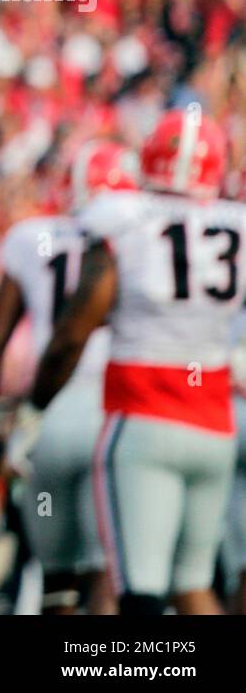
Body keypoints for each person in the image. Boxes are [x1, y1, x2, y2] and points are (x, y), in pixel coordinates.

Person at [32, 108, 245, 616]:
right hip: (215, 424)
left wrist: (37, 405)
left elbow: (75, 329)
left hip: (142, 418)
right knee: (194, 585)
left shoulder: (122, 217)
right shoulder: (235, 224)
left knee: (140, 591)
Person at [0, 139, 138, 614]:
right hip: (113, 408)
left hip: (48, 413)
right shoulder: (140, 236)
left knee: (55, 578)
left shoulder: (30, 238)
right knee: (103, 571)